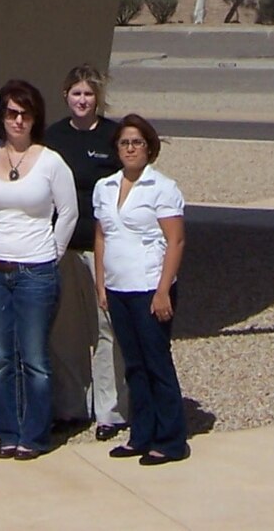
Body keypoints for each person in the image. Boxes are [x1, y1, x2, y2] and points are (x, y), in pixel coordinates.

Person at [0, 80, 76, 460]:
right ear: (1, 117)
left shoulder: (50, 161)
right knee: (2, 358)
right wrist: (0, 241)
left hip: (37, 270)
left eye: (25, 114)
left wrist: (51, 252)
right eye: (11, 113)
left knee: (33, 358)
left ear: (36, 118)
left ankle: (34, 434)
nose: (18, 120)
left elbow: (67, 213)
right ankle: (7, 430)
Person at [94, 114, 189, 466]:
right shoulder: (105, 187)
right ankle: (142, 434)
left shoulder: (162, 187)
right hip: (118, 288)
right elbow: (103, 235)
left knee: (156, 363)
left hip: (150, 287)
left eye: (137, 142)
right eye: (124, 143)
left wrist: (163, 290)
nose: (130, 148)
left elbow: (175, 240)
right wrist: (100, 284)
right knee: (133, 365)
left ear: (149, 147)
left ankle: (171, 439)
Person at [43, 64, 129, 439]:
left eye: (89, 94)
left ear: (99, 98)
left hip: (105, 249)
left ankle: (111, 410)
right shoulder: (53, 138)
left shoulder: (114, 137)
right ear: (66, 96)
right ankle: (71, 405)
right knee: (66, 330)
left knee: (107, 328)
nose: (83, 100)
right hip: (63, 246)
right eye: (76, 93)